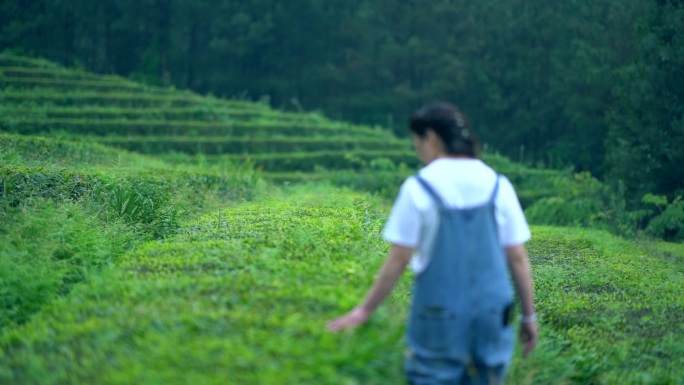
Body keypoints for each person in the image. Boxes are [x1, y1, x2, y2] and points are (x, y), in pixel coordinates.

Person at [327, 101, 538, 384]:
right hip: (492, 316)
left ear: (433, 138)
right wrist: (528, 317)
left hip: (439, 316)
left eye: (417, 140)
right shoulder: (498, 185)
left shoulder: (419, 187)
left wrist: (365, 310)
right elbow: (517, 258)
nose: (417, 149)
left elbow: (399, 257)